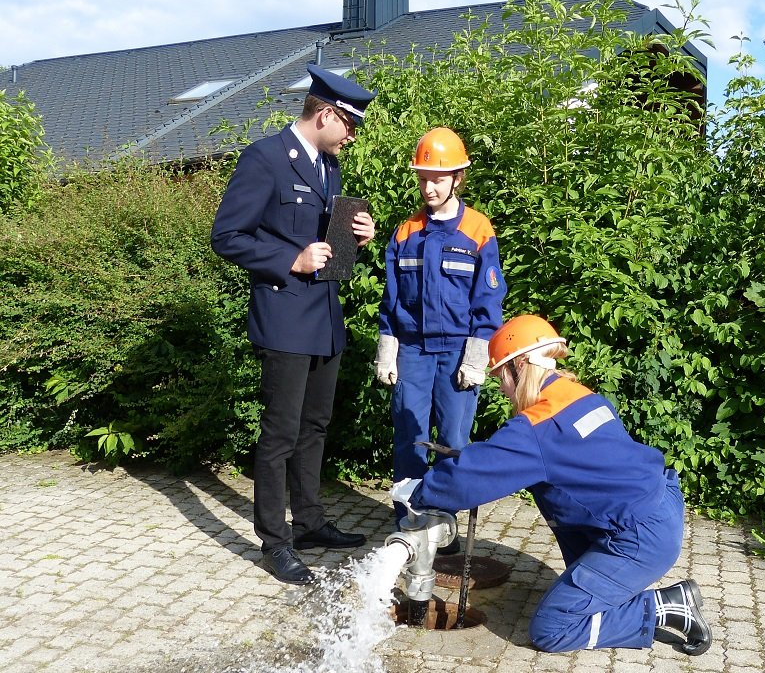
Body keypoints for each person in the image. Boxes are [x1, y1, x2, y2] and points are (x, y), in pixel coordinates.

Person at [391, 314, 713, 655]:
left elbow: (472, 477)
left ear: (520, 365)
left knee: (552, 628)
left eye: (501, 376)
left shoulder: (540, 426)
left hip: (639, 538)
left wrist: (420, 492)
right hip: (655, 506)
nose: (501, 388)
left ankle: (667, 606)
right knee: (573, 566)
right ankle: (611, 592)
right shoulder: (579, 395)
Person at [211, 63, 377, 585]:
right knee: (280, 434)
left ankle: (309, 524)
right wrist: (291, 260)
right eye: (350, 125)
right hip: (284, 317)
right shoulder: (264, 158)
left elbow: (327, 246)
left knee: (314, 428)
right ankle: (275, 542)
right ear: (325, 114)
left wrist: (356, 240)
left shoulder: (329, 167)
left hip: (324, 318)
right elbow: (227, 236)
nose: (352, 136)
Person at [374, 127, 507, 546]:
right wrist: (387, 350)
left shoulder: (479, 229)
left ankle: (444, 527)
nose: (429, 187)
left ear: (457, 178)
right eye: (423, 178)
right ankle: (410, 524)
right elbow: (391, 299)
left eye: (438, 178)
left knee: (452, 442)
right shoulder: (405, 232)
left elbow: (488, 300)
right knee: (409, 439)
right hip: (412, 351)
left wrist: (476, 357)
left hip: (456, 354)